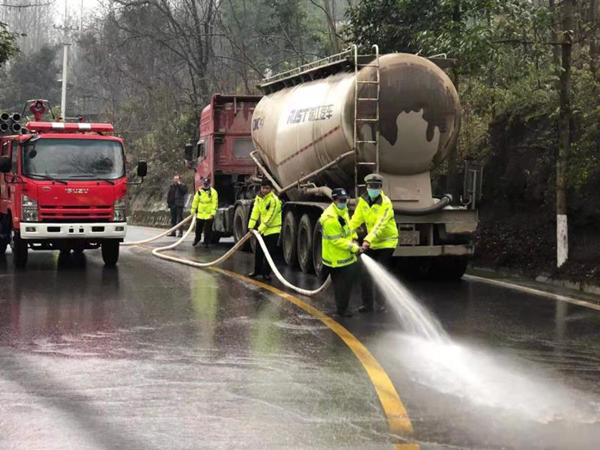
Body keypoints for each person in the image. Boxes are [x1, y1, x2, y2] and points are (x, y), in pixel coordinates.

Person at [350, 173, 399, 313]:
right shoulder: (363, 201)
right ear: (366, 186)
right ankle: (367, 304)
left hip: (387, 242)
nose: (373, 189)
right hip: (372, 242)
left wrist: (367, 240)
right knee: (365, 273)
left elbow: (380, 224)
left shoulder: (386, 203)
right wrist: (347, 232)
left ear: (381, 188)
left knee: (381, 271)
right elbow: (355, 220)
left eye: (376, 187)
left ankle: (381, 304)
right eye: (371, 186)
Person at [319, 188, 363, 318]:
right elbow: (336, 241)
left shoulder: (342, 211)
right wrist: (354, 248)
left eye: (345, 200)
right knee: (340, 286)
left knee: (347, 284)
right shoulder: (330, 218)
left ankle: (344, 308)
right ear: (334, 200)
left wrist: (354, 238)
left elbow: (348, 228)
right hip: (335, 259)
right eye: (341, 200)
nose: (344, 202)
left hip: (346, 256)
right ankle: (341, 310)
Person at [247, 178, 282, 281]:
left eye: (267, 188)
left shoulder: (274, 201)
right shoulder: (259, 198)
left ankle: (266, 273)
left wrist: (259, 228)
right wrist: (251, 226)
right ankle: (257, 270)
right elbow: (255, 212)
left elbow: (269, 218)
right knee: (258, 251)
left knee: (269, 253)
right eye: (263, 188)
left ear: (271, 189)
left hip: (273, 230)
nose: (265, 190)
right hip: (262, 231)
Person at [190, 177, 218, 247]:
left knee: (207, 230)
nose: (205, 185)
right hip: (200, 214)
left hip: (208, 215)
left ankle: (206, 242)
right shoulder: (199, 191)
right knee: (198, 229)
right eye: (204, 183)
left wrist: (212, 214)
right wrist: (193, 211)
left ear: (209, 183)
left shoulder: (213, 192)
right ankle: (197, 239)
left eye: (206, 184)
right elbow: (195, 201)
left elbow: (215, 203)